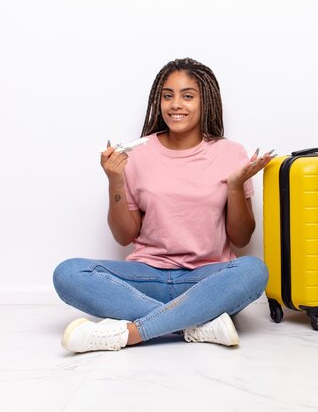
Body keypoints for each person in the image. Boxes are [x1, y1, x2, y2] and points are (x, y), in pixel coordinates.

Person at [53, 58, 274, 353]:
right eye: (167, 95)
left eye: (187, 95)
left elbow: (242, 238)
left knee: (254, 270)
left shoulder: (231, 153)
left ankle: (135, 333)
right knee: (67, 274)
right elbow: (124, 236)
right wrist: (115, 182)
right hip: (148, 276)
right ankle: (196, 322)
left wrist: (235, 187)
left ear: (205, 101)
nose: (175, 104)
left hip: (206, 280)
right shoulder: (138, 154)